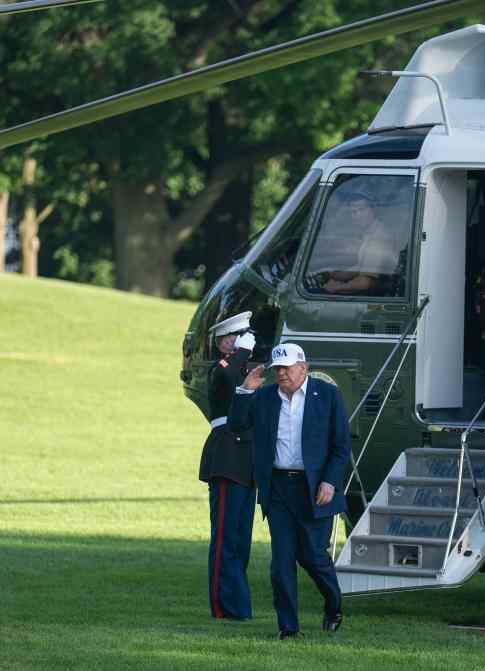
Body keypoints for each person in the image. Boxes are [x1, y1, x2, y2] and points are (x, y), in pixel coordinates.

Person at [230, 343, 350, 639]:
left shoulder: (328, 395)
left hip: (315, 487)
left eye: (286, 368)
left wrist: (330, 482)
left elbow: (341, 446)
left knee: (313, 556)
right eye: (277, 369)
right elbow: (236, 425)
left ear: (303, 367)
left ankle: (334, 605)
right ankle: (288, 627)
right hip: (278, 488)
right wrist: (245, 390)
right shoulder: (264, 397)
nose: (281, 373)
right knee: (281, 561)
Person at [198, 310, 257, 620]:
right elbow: (225, 377)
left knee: (241, 539)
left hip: (247, 461)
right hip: (227, 457)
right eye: (236, 337)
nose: (243, 341)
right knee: (225, 538)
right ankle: (224, 606)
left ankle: (239, 605)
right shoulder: (220, 369)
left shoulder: (243, 371)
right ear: (223, 343)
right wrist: (242, 352)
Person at [322, 193, 403, 295]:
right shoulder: (369, 233)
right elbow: (361, 267)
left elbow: (366, 283)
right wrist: (335, 275)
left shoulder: (378, 237)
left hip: (376, 296)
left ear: (373, 210)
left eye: (362, 210)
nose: (358, 215)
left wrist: (337, 287)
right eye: (354, 212)